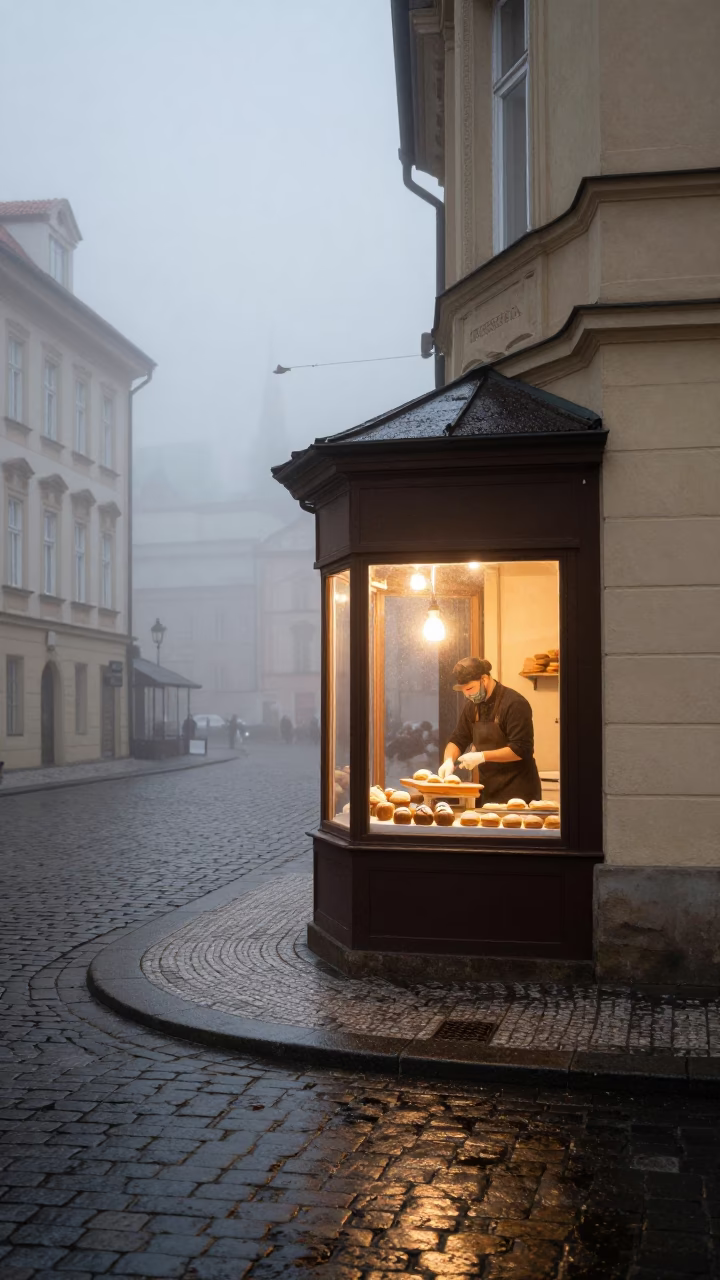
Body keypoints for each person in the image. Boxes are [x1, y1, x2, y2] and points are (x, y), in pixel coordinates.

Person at [438, 656, 541, 804]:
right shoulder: (472, 707)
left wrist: (482, 756)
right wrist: (448, 760)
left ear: (484, 679)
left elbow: (521, 749)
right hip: (488, 790)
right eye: (463, 691)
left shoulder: (514, 703)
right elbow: (458, 739)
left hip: (519, 792)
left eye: (469, 689)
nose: (467, 695)